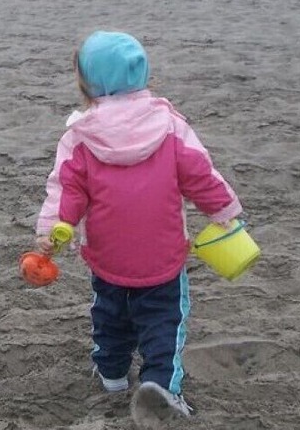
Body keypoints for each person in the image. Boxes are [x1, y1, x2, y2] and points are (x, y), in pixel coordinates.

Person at [33, 30, 244, 421]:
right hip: (162, 257)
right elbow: (200, 175)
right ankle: (162, 384)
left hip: (108, 256)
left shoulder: (81, 136)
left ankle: (112, 373)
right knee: (164, 322)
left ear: (87, 83)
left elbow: (66, 191)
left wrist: (52, 231)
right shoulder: (170, 125)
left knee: (110, 313)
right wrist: (224, 212)